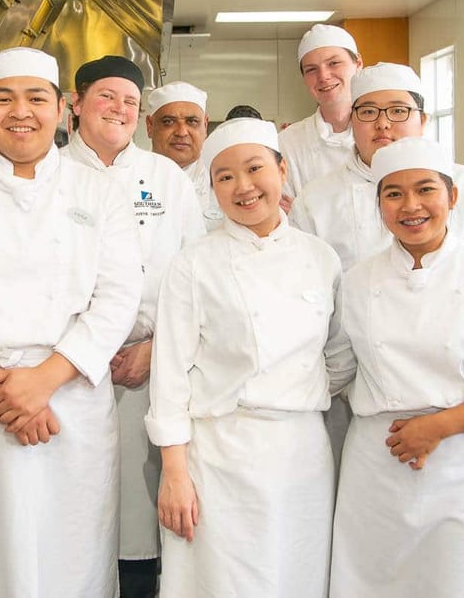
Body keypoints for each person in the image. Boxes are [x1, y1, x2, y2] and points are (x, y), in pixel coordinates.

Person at [0, 47, 143, 598]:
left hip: (71, 406)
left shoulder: (100, 192)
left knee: (73, 559)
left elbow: (118, 294)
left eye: (36, 98)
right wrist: (5, 391)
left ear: (61, 109)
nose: (21, 112)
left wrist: (45, 380)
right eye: (3, 98)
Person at [328, 136, 464, 598]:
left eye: (426, 189)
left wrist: (436, 428)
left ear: (452, 196)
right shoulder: (357, 280)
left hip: (462, 468)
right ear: (379, 205)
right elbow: (335, 369)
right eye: (394, 193)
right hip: (376, 470)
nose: (411, 206)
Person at [147, 117, 347, 598]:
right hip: (219, 456)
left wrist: (296, 393)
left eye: (255, 168)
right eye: (225, 177)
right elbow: (169, 376)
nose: (243, 187)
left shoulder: (321, 258)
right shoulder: (194, 263)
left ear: (281, 170)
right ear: (213, 188)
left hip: (300, 455)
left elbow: (339, 355)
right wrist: (174, 475)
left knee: (295, 577)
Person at [61, 55, 205, 598]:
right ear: (76, 105)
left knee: (143, 524)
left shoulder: (165, 178)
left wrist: (155, 348)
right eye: (106, 97)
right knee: (79, 514)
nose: (119, 109)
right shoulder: (52, 173)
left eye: (130, 101)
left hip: (151, 367)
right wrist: (81, 351)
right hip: (72, 371)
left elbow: (194, 279)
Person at [290, 62, 464, 269]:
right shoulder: (315, 199)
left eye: (398, 111)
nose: (383, 124)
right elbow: (303, 282)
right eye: (368, 112)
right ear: (351, 122)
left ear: (422, 121)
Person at [278, 24, 364, 204]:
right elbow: (286, 219)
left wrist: (305, 212)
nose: (323, 76)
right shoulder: (288, 143)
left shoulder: (382, 135)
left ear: (358, 64)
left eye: (334, 63)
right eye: (311, 69)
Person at [145, 81, 217, 225]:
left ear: (205, 125)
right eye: (168, 122)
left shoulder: (223, 180)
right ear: (150, 126)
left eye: (192, 122)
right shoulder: (128, 179)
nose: (182, 132)